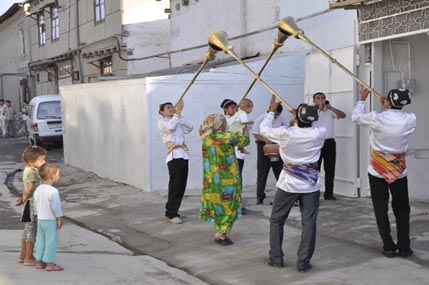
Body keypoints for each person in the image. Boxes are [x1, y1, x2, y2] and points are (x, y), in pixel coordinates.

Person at [261, 101, 326, 272]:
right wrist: (299, 117)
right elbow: (314, 123)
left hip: (288, 183)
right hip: (310, 184)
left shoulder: (286, 133)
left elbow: (264, 130)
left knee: (277, 220)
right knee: (309, 222)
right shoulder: (319, 133)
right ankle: (303, 262)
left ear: (297, 117)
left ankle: (276, 258)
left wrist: (271, 112)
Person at [352, 88, 416, 258]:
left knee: (381, 208)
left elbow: (356, 117)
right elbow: (393, 117)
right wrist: (388, 106)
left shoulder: (376, 117)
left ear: (388, 102)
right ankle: (404, 247)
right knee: (402, 209)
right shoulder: (410, 119)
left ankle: (388, 246)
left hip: (378, 168)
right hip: (398, 169)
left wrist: (362, 100)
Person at [199, 114, 250, 245]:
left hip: (211, 181)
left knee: (218, 208)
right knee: (230, 208)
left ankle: (219, 230)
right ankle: (221, 233)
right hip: (227, 180)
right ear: (222, 125)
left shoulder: (206, 138)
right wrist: (245, 128)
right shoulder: (229, 137)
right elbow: (244, 141)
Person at [157, 99, 193, 224]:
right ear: (162, 112)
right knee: (175, 184)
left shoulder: (177, 119)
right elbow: (171, 128)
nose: (171, 108)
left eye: (172, 106)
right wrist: (177, 114)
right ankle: (172, 212)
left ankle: (174, 209)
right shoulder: (162, 122)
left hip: (183, 154)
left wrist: (179, 114)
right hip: (174, 155)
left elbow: (189, 127)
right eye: (168, 107)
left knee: (182, 184)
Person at [15, 146, 47, 266]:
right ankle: (29, 258)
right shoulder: (32, 173)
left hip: (29, 204)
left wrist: (23, 199)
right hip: (33, 204)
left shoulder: (29, 170)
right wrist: (23, 199)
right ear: (30, 162)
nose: (43, 162)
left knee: (27, 231)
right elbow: (30, 188)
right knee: (32, 232)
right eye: (40, 160)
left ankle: (23, 256)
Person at [253, 100, 289, 204]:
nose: (275, 117)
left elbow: (286, 130)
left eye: (278, 115)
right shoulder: (261, 119)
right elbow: (256, 134)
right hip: (263, 146)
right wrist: (266, 140)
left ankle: (282, 194)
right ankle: (260, 196)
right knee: (263, 171)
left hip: (276, 146)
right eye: (275, 114)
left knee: (279, 170)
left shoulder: (281, 119)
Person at [313, 92, 346, 200]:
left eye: (323, 98)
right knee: (315, 169)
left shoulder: (329, 111)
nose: (321, 100)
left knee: (330, 169)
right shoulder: (312, 111)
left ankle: (329, 193)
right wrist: (320, 109)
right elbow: (312, 120)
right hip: (317, 142)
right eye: (318, 98)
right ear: (314, 101)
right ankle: (314, 193)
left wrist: (330, 107)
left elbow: (342, 115)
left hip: (329, 142)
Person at [34, 163, 64, 271]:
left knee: (41, 241)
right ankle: (50, 264)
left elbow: (36, 204)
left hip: (40, 220)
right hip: (50, 220)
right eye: (58, 174)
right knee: (51, 242)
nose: (59, 176)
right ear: (52, 176)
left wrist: (38, 214)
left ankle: (39, 262)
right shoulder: (53, 191)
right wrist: (60, 218)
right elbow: (56, 206)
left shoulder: (38, 189)